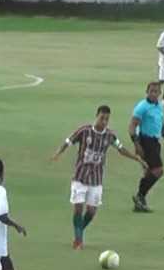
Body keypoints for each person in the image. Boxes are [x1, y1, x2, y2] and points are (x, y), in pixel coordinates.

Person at [51, 104, 147, 249]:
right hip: (80, 176)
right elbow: (68, 141)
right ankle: (78, 240)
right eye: (102, 118)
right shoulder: (84, 131)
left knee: (91, 211)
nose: (104, 122)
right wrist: (58, 153)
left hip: (96, 179)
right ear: (97, 116)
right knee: (78, 208)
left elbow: (121, 149)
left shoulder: (109, 136)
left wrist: (137, 158)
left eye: (107, 119)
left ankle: (79, 232)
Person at [129, 81, 164, 213]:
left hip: (155, 142)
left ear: (160, 93)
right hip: (146, 141)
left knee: (149, 172)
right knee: (158, 171)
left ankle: (140, 203)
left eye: (156, 91)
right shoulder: (142, 107)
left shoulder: (158, 106)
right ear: (147, 92)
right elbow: (132, 127)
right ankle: (140, 195)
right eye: (151, 91)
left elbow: (161, 125)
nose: (154, 93)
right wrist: (137, 144)